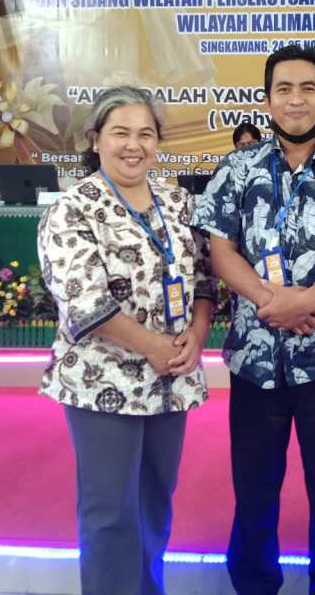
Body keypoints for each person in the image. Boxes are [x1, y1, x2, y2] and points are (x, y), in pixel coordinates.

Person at [192, 44, 315, 595]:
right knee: (254, 485)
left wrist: (309, 299)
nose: (296, 99)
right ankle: (254, 580)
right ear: (267, 99)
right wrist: (271, 299)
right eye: (283, 89)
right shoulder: (237, 168)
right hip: (255, 361)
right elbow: (220, 248)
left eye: (308, 88)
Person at [37, 85, 216, 595]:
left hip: (171, 379)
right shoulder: (72, 209)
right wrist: (154, 346)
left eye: (145, 134)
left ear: (158, 142)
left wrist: (196, 336)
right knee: (110, 511)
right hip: (103, 382)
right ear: (96, 139)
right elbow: (84, 301)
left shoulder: (178, 202)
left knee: (155, 503)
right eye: (120, 133)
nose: (133, 145)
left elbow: (205, 281)